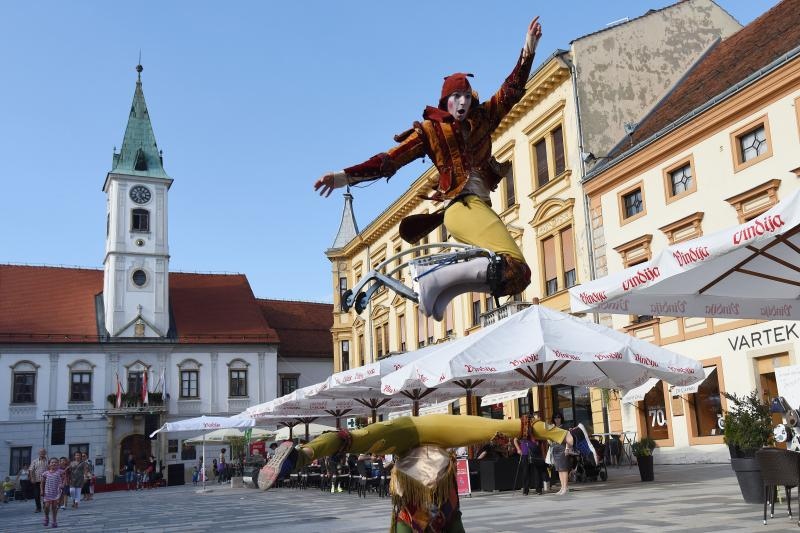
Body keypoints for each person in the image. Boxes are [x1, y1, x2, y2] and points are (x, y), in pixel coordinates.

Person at [314, 17, 544, 321]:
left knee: (512, 274)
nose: (461, 102)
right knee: (517, 266)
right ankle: (433, 278)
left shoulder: (483, 118)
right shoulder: (431, 132)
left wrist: (528, 49)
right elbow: (388, 161)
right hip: (461, 208)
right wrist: (343, 176)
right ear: (445, 102)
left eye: (465, 96)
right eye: (454, 97)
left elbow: (511, 91)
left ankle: (441, 291)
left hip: (479, 207)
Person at [259, 414, 594, 532]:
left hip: (411, 432)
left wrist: (308, 453)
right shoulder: (427, 449)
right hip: (427, 430)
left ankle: (300, 456)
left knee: (355, 439)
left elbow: (354, 439)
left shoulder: (400, 439)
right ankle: (565, 435)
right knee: (497, 426)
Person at [40, 458, 63, 528]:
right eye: (52, 462)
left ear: (58, 464)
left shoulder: (60, 472)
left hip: (56, 493)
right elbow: (42, 483)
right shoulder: (45, 473)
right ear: (49, 464)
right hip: (47, 492)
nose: (54, 464)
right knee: (46, 507)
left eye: (56, 462)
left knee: (54, 507)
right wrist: (41, 490)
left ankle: (54, 521)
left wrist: (63, 484)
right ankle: (46, 517)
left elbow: (65, 478)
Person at [29, 448, 48, 513]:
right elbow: (31, 470)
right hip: (37, 480)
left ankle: (45, 506)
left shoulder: (48, 461)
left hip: (46, 480)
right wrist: (32, 478)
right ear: (38, 453)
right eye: (41, 452)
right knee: (36, 494)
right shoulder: (34, 461)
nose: (42, 453)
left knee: (46, 494)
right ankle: (38, 508)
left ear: (45, 453)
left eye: (43, 452)